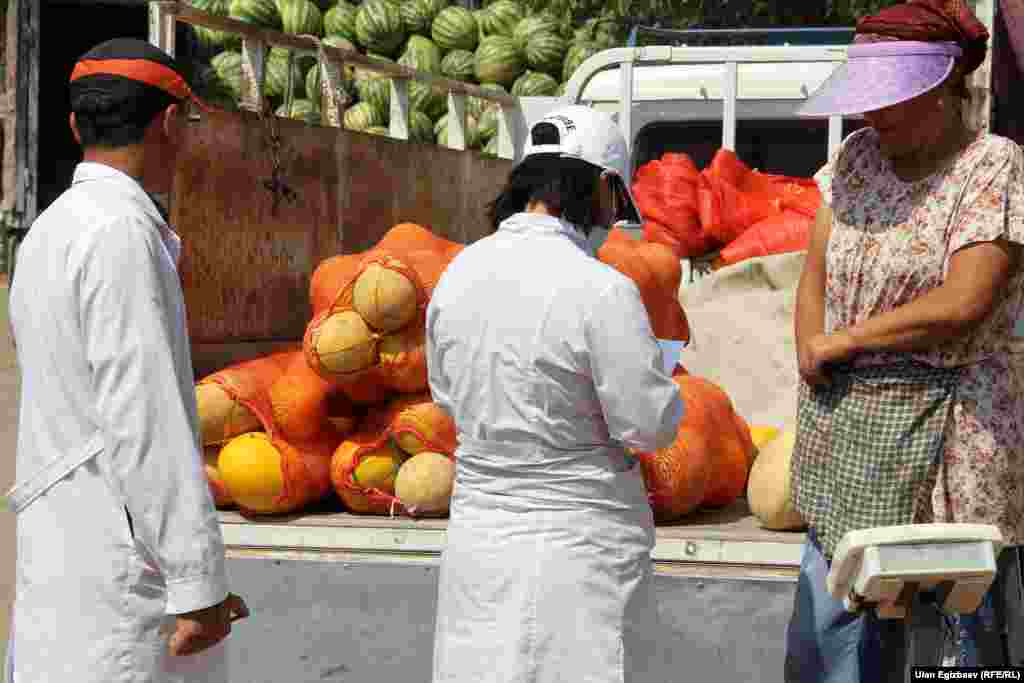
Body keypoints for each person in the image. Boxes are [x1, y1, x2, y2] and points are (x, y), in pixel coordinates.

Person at [787, 0, 1024, 679]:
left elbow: (966, 299)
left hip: (956, 441)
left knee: (958, 635)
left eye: (892, 100)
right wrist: (810, 341)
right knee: (834, 628)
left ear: (945, 90)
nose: (874, 116)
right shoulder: (856, 159)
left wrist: (848, 340)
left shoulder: (992, 165)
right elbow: (815, 272)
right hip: (853, 434)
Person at [4, 39, 248, 682]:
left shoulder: (49, 231)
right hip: (114, 565)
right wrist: (199, 586)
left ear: (75, 126)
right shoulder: (121, 233)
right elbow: (146, 420)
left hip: (64, 552)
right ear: (169, 123)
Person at [425, 105, 685, 683]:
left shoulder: (458, 273)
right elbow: (648, 425)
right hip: (581, 546)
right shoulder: (602, 290)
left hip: (479, 542)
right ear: (598, 187)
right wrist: (671, 387)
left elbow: (445, 395)